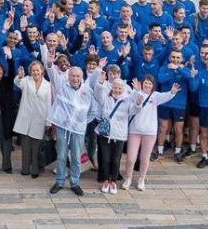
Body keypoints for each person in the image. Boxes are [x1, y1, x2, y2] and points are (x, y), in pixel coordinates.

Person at [122, 76, 180, 191]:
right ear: (142, 83)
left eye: (150, 83)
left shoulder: (155, 96)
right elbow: (134, 103)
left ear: (153, 85)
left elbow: (166, 96)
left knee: (145, 158)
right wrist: (137, 91)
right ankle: (128, 178)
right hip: (135, 130)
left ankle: (141, 179)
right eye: (146, 83)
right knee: (131, 158)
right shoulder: (135, 93)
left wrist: (172, 92)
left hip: (150, 132)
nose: (147, 85)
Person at [47, 60, 92, 196]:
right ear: (69, 76)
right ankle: (59, 181)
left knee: (76, 158)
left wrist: (83, 122)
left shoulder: (87, 91)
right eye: (73, 76)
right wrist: (48, 62)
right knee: (61, 155)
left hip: (78, 129)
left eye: (78, 76)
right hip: (63, 127)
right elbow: (52, 73)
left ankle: (75, 183)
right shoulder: (62, 85)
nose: (75, 78)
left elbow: (94, 111)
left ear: (81, 77)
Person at [13, 60, 52, 178]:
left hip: (40, 119)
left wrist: (48, 122)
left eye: (37, 70)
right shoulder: (26, 81)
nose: (35, 72)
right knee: (25, 147)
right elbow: (17, 82)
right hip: (25, 118)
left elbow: (48, 104)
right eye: (33, 70)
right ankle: (25, 169)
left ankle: (35, 170)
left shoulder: (47, 85)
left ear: (42, 71)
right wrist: (19, 76)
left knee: (36, 147)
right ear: (30, 71)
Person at [95, 77, 133, 194]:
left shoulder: (127, 100)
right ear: (112, 88)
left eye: (120, 88)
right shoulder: (106, 98)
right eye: (115, 88)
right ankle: (106, 180)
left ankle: (114, 181)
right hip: (105, 134)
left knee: (116, 160)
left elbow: (135, 110)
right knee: (105, 159)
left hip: (119, 135)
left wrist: (138, 98)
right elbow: (98, 93)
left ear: (123, 89)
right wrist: (100, 83)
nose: (117, 90)